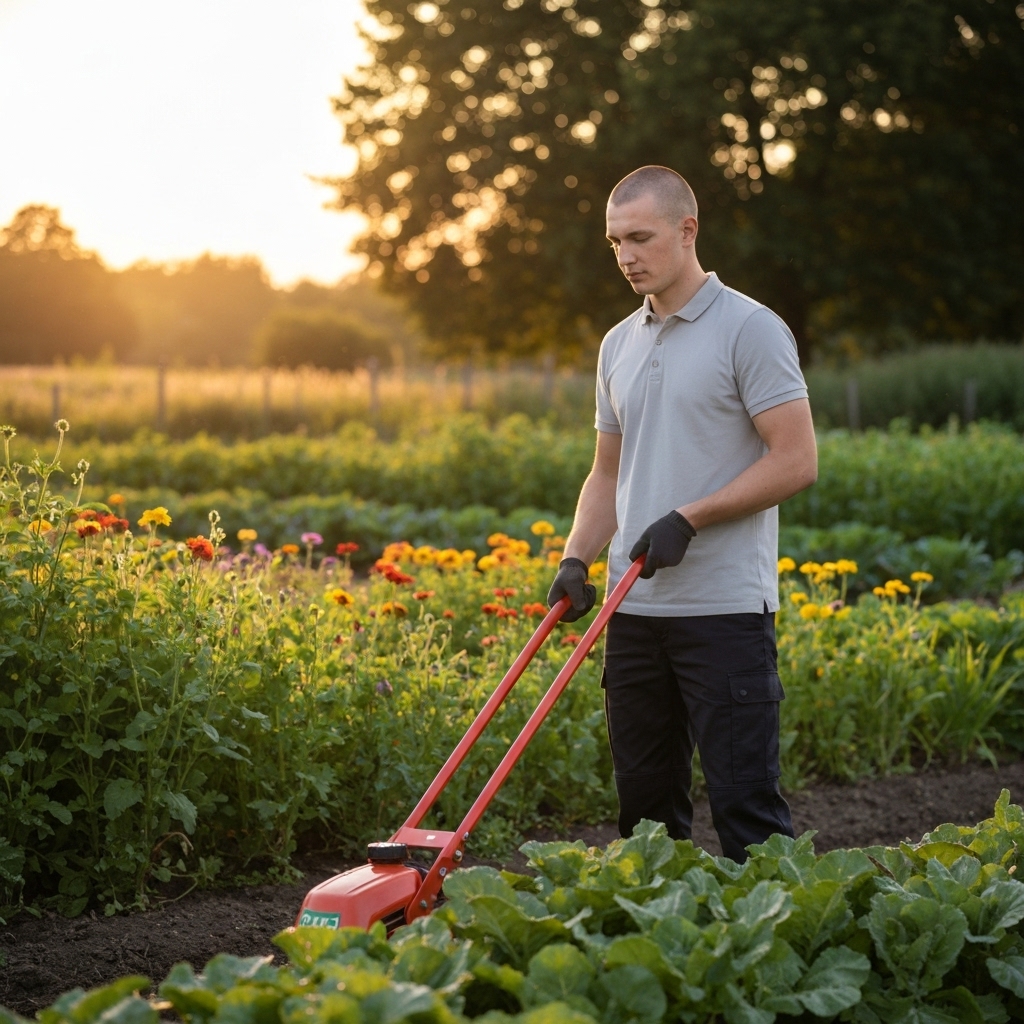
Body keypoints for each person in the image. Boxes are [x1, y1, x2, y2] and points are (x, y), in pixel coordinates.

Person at [547, 165, 818, 862]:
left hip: (724, 613)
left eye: (640, 237)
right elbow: (607, 470)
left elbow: (795, 460)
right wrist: (576, 557)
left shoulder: (749, 329)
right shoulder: (618, 343)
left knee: (746, 812)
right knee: (643, 818)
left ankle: (770, 959)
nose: (625, 256)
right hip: (631, 616)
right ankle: (665, 961)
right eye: (614, 243)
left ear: (686, 229)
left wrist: (690, 517)